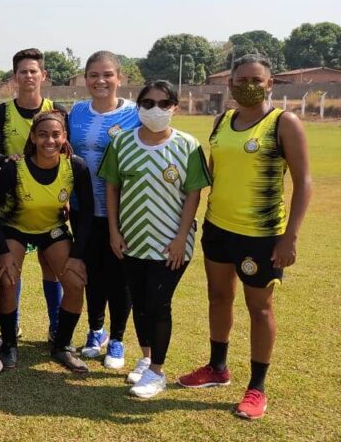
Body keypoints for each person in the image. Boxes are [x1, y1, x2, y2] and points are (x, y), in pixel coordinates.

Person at [178, 54, 311, 420]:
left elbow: (304, 182)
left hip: (262, 235)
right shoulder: (222, 121)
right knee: (219, 297)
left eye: (257, 79)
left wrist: (290, 237)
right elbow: (215, 172)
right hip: (218, 227)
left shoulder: (284, 122)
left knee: (260, 308)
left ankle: (257, 387)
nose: (248, 85)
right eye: (241, 80)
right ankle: (217, 368)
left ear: (270, 84)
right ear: (230, 84)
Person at [100, 80, 210, 398]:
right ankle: (147, 359)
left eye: (164, 104)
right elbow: (112, 188)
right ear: (138, 106)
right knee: (140, 302)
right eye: (148, 103)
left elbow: (193, 194)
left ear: (174, 107)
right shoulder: (122, 144)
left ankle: (158, 373)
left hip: (170, 244)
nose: (155, 110)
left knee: (159, 304)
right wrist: (114, 231)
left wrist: (180, 239)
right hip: (132, 240)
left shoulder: (187, 145)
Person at [0, 111, 93, 373]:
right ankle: (9, 343)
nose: (50, 140)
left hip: (51, 229)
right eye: (43, 134)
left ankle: (62, 345)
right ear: (33, 138)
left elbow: (85, 215)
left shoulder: (76, 167)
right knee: (7, 279)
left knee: (74, 281)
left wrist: (77, 256)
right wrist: (2, 252)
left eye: (56, 134)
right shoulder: (15, 168)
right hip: (15, 228)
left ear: (64, 137)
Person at [0, 48, 65, 341]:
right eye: (22, 71)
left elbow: (66, 154)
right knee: (9, 270)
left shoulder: (56, 109)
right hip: (12, 205)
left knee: (52, 266)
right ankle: (12, 324)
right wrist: (9, 162)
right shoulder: (3, 111)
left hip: (47, 205)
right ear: (15, 77)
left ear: (43, 75)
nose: (28, 76)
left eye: (34, 71)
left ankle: (56, 327)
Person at [67, 51, 140, 366]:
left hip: (122, 211)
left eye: (108, 74)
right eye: (94, 75)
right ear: (85, 79)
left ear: (119, 78)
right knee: (92, 274)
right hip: (82, 210)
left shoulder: (136, 113)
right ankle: (97, 331)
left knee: (119, 277)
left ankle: (119, 340)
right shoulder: (77, 112)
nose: (101, 81)